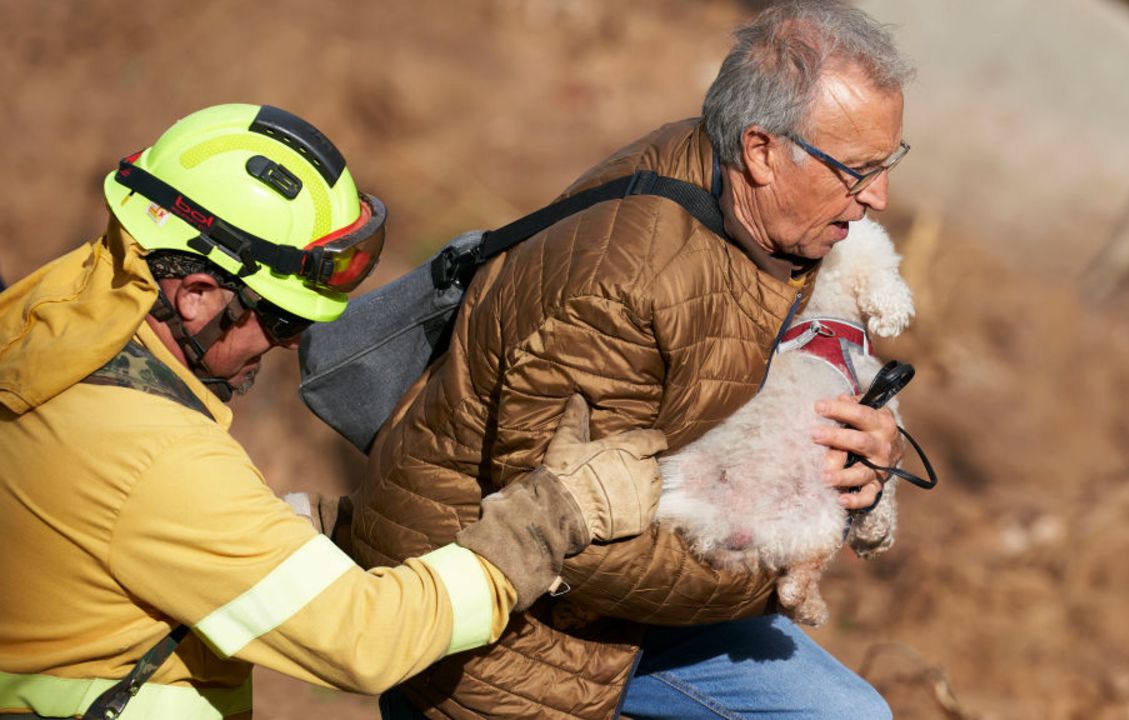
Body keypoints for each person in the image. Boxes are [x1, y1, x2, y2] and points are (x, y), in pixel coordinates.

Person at [0, 103, 668, 719]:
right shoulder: (156, 458)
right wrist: (545, 524)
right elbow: (365, 642)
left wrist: (295, 534)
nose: (293, 340)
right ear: (198, 293)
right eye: (282, 314)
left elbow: (107, 531)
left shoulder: (45, 320)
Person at [353, 1, 915, 718]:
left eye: (889, 162)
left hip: (638, 588)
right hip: (518, 630)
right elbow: (563, 541)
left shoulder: (763, 212)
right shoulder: (618, 285)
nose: (878, 197)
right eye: (856, 170)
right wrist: (779, 560)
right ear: (763, 151)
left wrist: (863, 450)